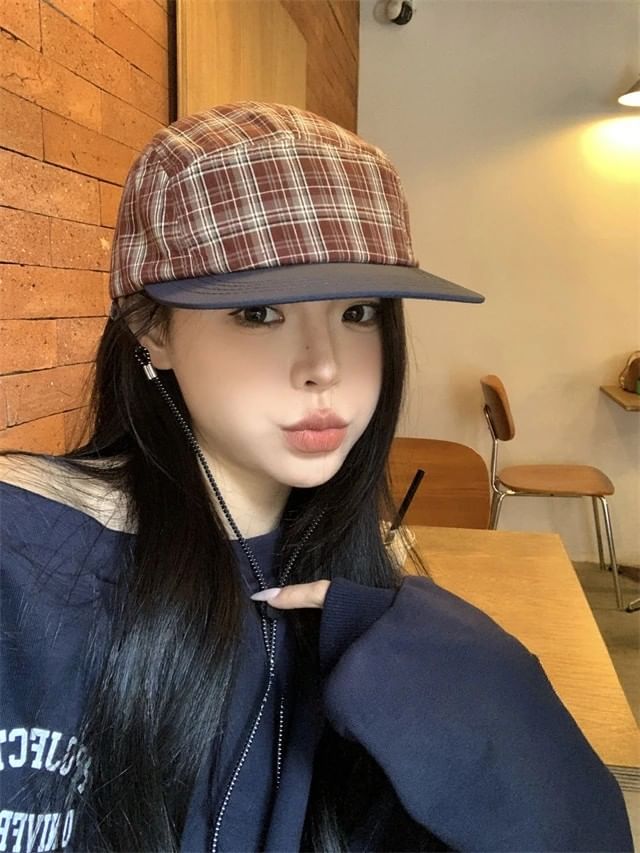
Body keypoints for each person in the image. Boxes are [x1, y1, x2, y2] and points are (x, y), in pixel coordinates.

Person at [0, 102, 632, 853]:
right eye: (259, 313)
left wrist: (475, 677)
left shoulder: (371, 600)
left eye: (358, 312)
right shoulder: (28, 550)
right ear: (151, 329)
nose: (323, 366)